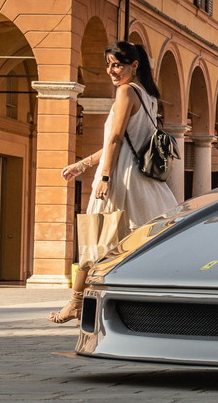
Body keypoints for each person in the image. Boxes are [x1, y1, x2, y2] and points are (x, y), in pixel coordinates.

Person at [49, 41, 179, 324]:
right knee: (136, 242)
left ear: (135, 65)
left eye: (117, 64)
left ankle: (76, 303)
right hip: (142, 180)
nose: (111, 70)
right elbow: (119, 141)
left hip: (120, 177)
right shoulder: (148, 97)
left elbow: (116, 139)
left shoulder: (125, 92)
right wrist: (81, 164)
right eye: (108, 64)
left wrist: (104, 176)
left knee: (95, 238)